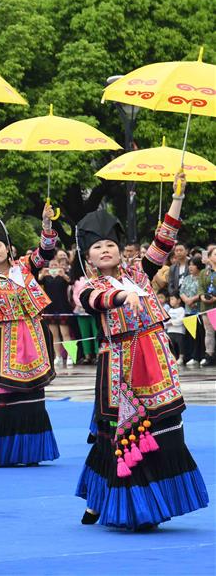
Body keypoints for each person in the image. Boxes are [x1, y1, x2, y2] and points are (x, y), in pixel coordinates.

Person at [74, 173, 209, 530]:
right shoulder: (90, 286)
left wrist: (177, 197)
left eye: (110, 244)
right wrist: (122, 296)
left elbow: (163, 241)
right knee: (117, 437)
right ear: (88, 258)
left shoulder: (139, 272)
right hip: (121, 367)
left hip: (158, 362)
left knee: (167, 430)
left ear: (119, 248)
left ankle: (157, 503)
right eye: (97, 247)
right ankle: (105, 502)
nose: (106, 250)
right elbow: (96, 301)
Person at [0, 205, 60, 468]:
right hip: (6, 339)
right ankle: (2, 451)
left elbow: (46, 251)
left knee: (33, 396)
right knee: (5, 395)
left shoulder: (26, 266)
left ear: (7, 247)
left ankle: (29, 452)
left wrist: (47, 225)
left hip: (34, 335)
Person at [40, 249, 75, 366]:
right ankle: (58, 356)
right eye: (51, 265)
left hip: (62, 307)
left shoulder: (63, 275)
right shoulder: (45, 277)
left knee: (65, 333)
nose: (54, 266)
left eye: (56, 264)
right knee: (54, 334)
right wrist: (42, 274)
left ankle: (70, 356)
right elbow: (37, 281)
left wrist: (63, 274)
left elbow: (71, 282)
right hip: (50, 307)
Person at [179, 256, 203, 366]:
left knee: (199, 335)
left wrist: (193, 299)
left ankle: (198, 356)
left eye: (193, 264)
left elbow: (203, 291)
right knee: (190, 335)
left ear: (198, 266)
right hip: (188, 310)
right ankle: (190, 356)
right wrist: (186, 300)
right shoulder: (187, 278)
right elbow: (181, 291)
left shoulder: (202, 277)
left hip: (199, 310)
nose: (190, 267)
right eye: (190, 264)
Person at [199, 246, 216, 366]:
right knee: (209, 332)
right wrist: (201, 296)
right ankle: (209, 355)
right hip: (206, 307)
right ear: (209, 257)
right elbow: (200, 287)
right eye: (215, 254)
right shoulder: (203, 272)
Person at [165, 293, 185, 360]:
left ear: (179, 300)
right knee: (172, 346)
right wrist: (167, 324)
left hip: (179, 331)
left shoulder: (182, 309)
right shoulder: (170, 310)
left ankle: (181, 357)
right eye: (170, 299)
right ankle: (173, 358)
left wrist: (172, 323)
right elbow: (167, 319)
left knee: (180, 346)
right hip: (170, 331)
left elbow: (181, 320)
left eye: (173, 299)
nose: (171, 301)